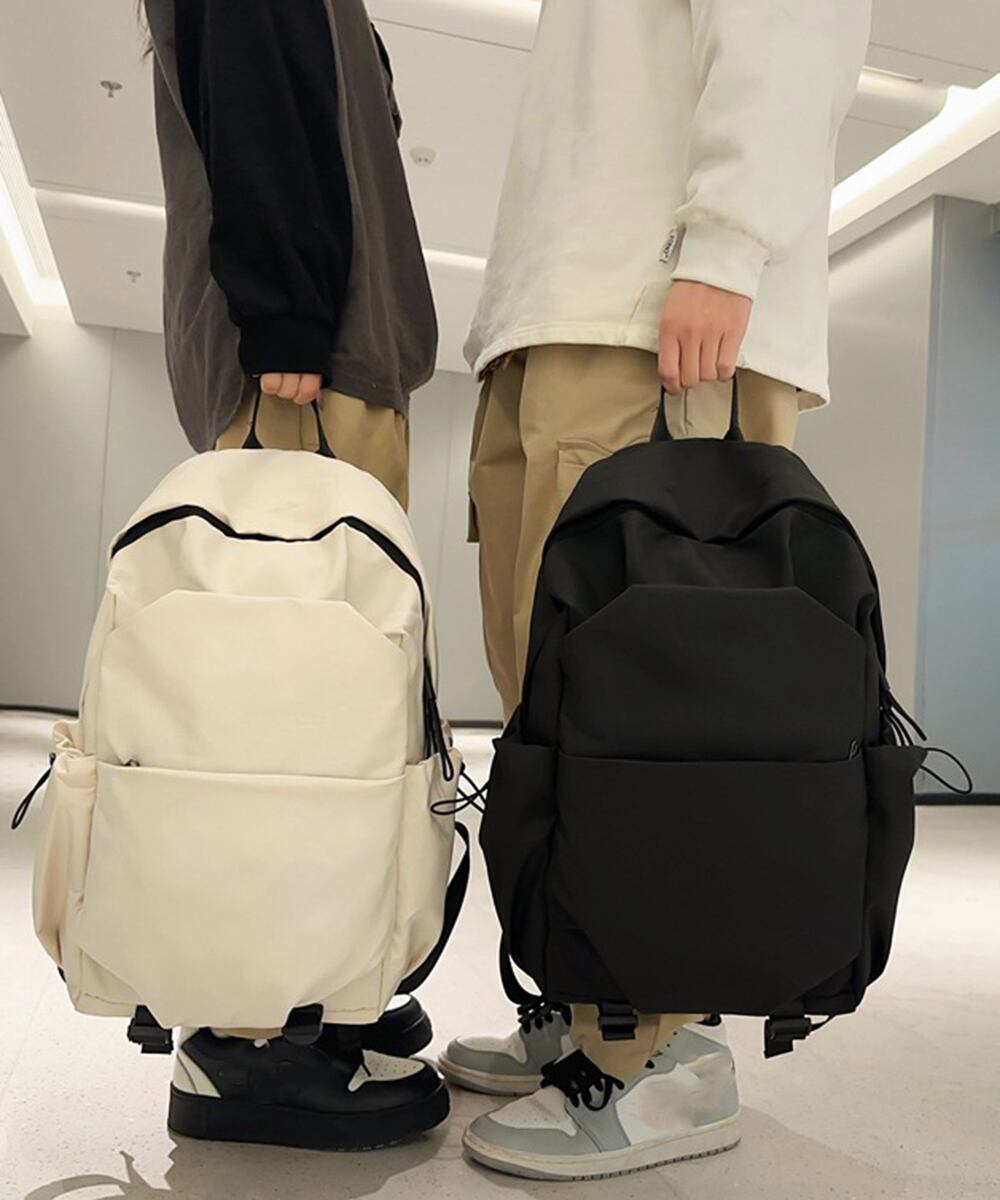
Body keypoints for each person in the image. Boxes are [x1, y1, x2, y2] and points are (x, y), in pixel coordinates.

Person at [440, 0, 873, 1181]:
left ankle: (648, 1054)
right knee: (549, 698)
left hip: (652, 308)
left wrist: (726, 245)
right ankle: (591, 1004)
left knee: (641, 716)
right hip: (569, 305)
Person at [143, 0, 448, 1150]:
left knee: (316, 709)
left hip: (319, 358)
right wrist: (286, 318)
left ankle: (305, 995)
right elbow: (263, 99)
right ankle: (252, 1044)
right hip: (302, 369)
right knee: (287, 717)